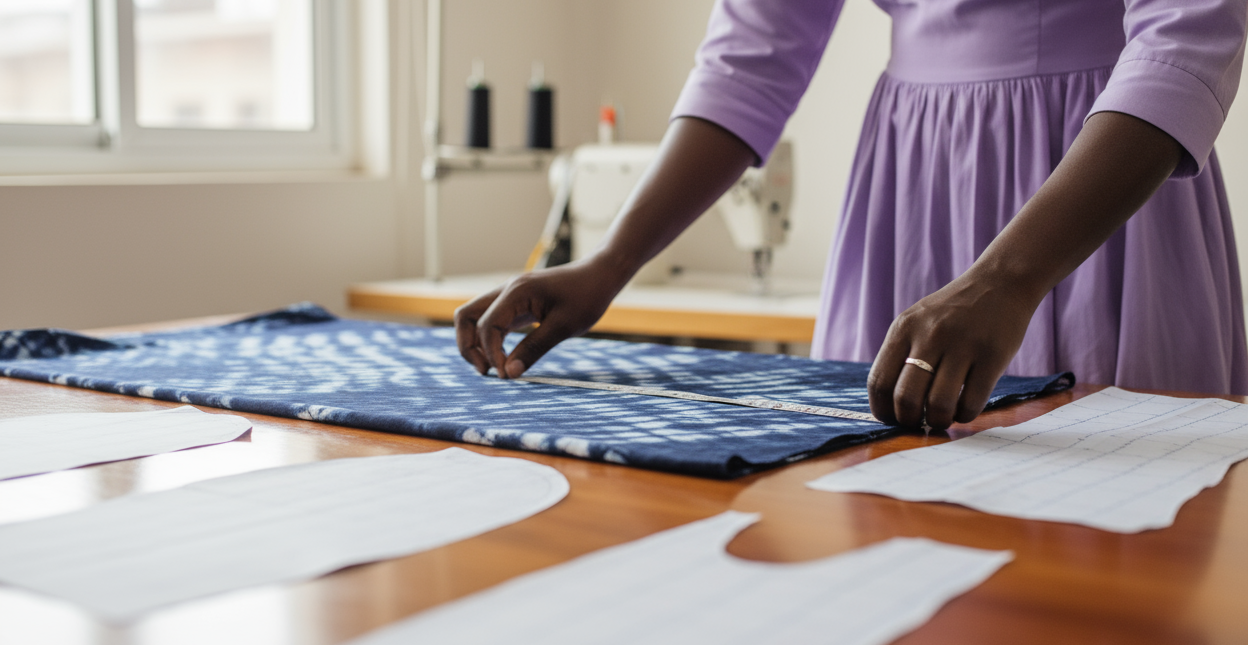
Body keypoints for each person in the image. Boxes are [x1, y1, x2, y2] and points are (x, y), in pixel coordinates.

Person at [455, 0, 1248, 430]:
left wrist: (1009, 278)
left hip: (1096, 196)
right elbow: (750, 59)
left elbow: (1184, 41)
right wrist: (608, 263)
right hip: (909, 188)